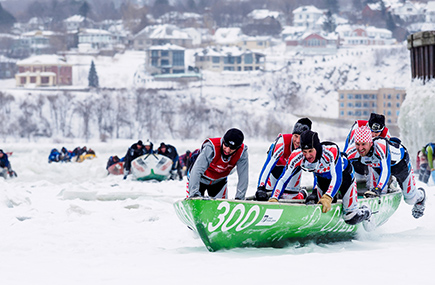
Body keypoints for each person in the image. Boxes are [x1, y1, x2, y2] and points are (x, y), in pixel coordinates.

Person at [269, 130, 371, 225]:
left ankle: (366, 211)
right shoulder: (296, 155)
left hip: (344, 177)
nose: (307, 155)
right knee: (321, 209)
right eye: (304, 151)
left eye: (310, 151)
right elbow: (283, 179)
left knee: (350, 218)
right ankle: (335, 199)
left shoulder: (331, 151)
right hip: (323, 180)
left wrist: (328, 197)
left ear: (317, 148)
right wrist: (274, 197)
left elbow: (336, 177)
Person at [346, 126, 426, 219]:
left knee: (410, 199)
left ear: (370, 143)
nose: (360, 148)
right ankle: (370, 216)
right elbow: (341, 166)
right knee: (373, 195)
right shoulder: (352, 150)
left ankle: (421, 196)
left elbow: (386, 170)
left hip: (400, 165)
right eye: (357, 144)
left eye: (364, 144)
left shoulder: (380, 146)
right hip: (378, 168)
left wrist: (378, 188)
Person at [255, 118, 312, 201]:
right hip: (275, 170)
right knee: (267, 196)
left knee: (289, 198)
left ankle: (302, 193)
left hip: (293, 171)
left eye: (301, 138)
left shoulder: (309, 147)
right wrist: (260, 187)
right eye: (295, 136)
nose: (298, 141)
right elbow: (268, 166)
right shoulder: (282, 141)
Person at [187, 128, 249, 200]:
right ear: (223, 141)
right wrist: (194, 194)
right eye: (226, 145)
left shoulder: (242, 153)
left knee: (221, 207)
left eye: (232, 148)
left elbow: (243, 177)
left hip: (219, 181)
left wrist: (239, 198)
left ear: (238, 148)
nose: (227, 150)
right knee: (194, 199)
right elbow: (196, 171)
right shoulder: (211, 147)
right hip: (199, 178)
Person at [343, 113, 391, 184]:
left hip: (375, 162)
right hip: (358, 159)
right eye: (371, 131)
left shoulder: (386, 134)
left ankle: (387, 182)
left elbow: (388, 158)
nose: (373, 135)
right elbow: (348, 148)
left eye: (377, 133)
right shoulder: (358, 127)